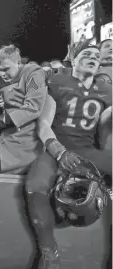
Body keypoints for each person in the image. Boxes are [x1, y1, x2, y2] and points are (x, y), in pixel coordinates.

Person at [25, 42, 112, 269]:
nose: (93, 57)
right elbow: (43, 124)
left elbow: (102, 134)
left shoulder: (106, 91)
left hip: (88, 150)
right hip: (58, 149)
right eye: (86, 54)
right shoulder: (57, 81)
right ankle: (49, 252)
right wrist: (59, 152)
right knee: (35, 185)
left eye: (96, 55)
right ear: (73, 60)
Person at [0, 45, 48, 175]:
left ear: (19, 63)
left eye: (6, 69)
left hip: (23, 143)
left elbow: (33, 107)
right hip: (0, 142)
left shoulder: (33, 72)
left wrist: (2, 120)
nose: (3, 74)